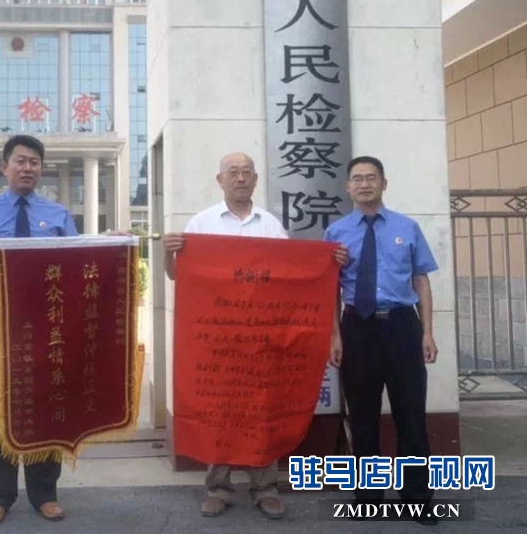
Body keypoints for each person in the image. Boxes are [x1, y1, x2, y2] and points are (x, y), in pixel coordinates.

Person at [163, 152, 347, 520]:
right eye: (233, 172)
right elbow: (177, 276)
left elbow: (291, 280)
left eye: (247, 172)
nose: (240, 178)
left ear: (256, 179)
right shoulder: (201, 224)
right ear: (220, 180)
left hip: (264, 341)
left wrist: (330, 264)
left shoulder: (270, 226)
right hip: (220, 343)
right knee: (220, 410)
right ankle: (218, 488)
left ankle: (265, 488)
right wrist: (169, 254)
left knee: (264, 408)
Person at [0, 135, 78, 527]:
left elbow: (78, 260)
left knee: (45, 397)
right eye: (20, 161)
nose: (28, 168)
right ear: (4, 167)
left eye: (34, 162)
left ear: (42, 169)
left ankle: (45, 493)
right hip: (0, 315)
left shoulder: (57, 214)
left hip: (46, 318)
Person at [324, 156, 439, 526]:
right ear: (348, 187)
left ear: (384, 184)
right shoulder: (336, 233)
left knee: (411, 414)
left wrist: (427, 331)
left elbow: (421, 281)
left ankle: (417, 498)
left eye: (371, 178)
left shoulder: (407, 227)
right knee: (363, 416)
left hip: (402, 326)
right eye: (357, 178)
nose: (364, 184)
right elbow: (330, 289)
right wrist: (335, 335)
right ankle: (368, 497)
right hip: (358, 328)